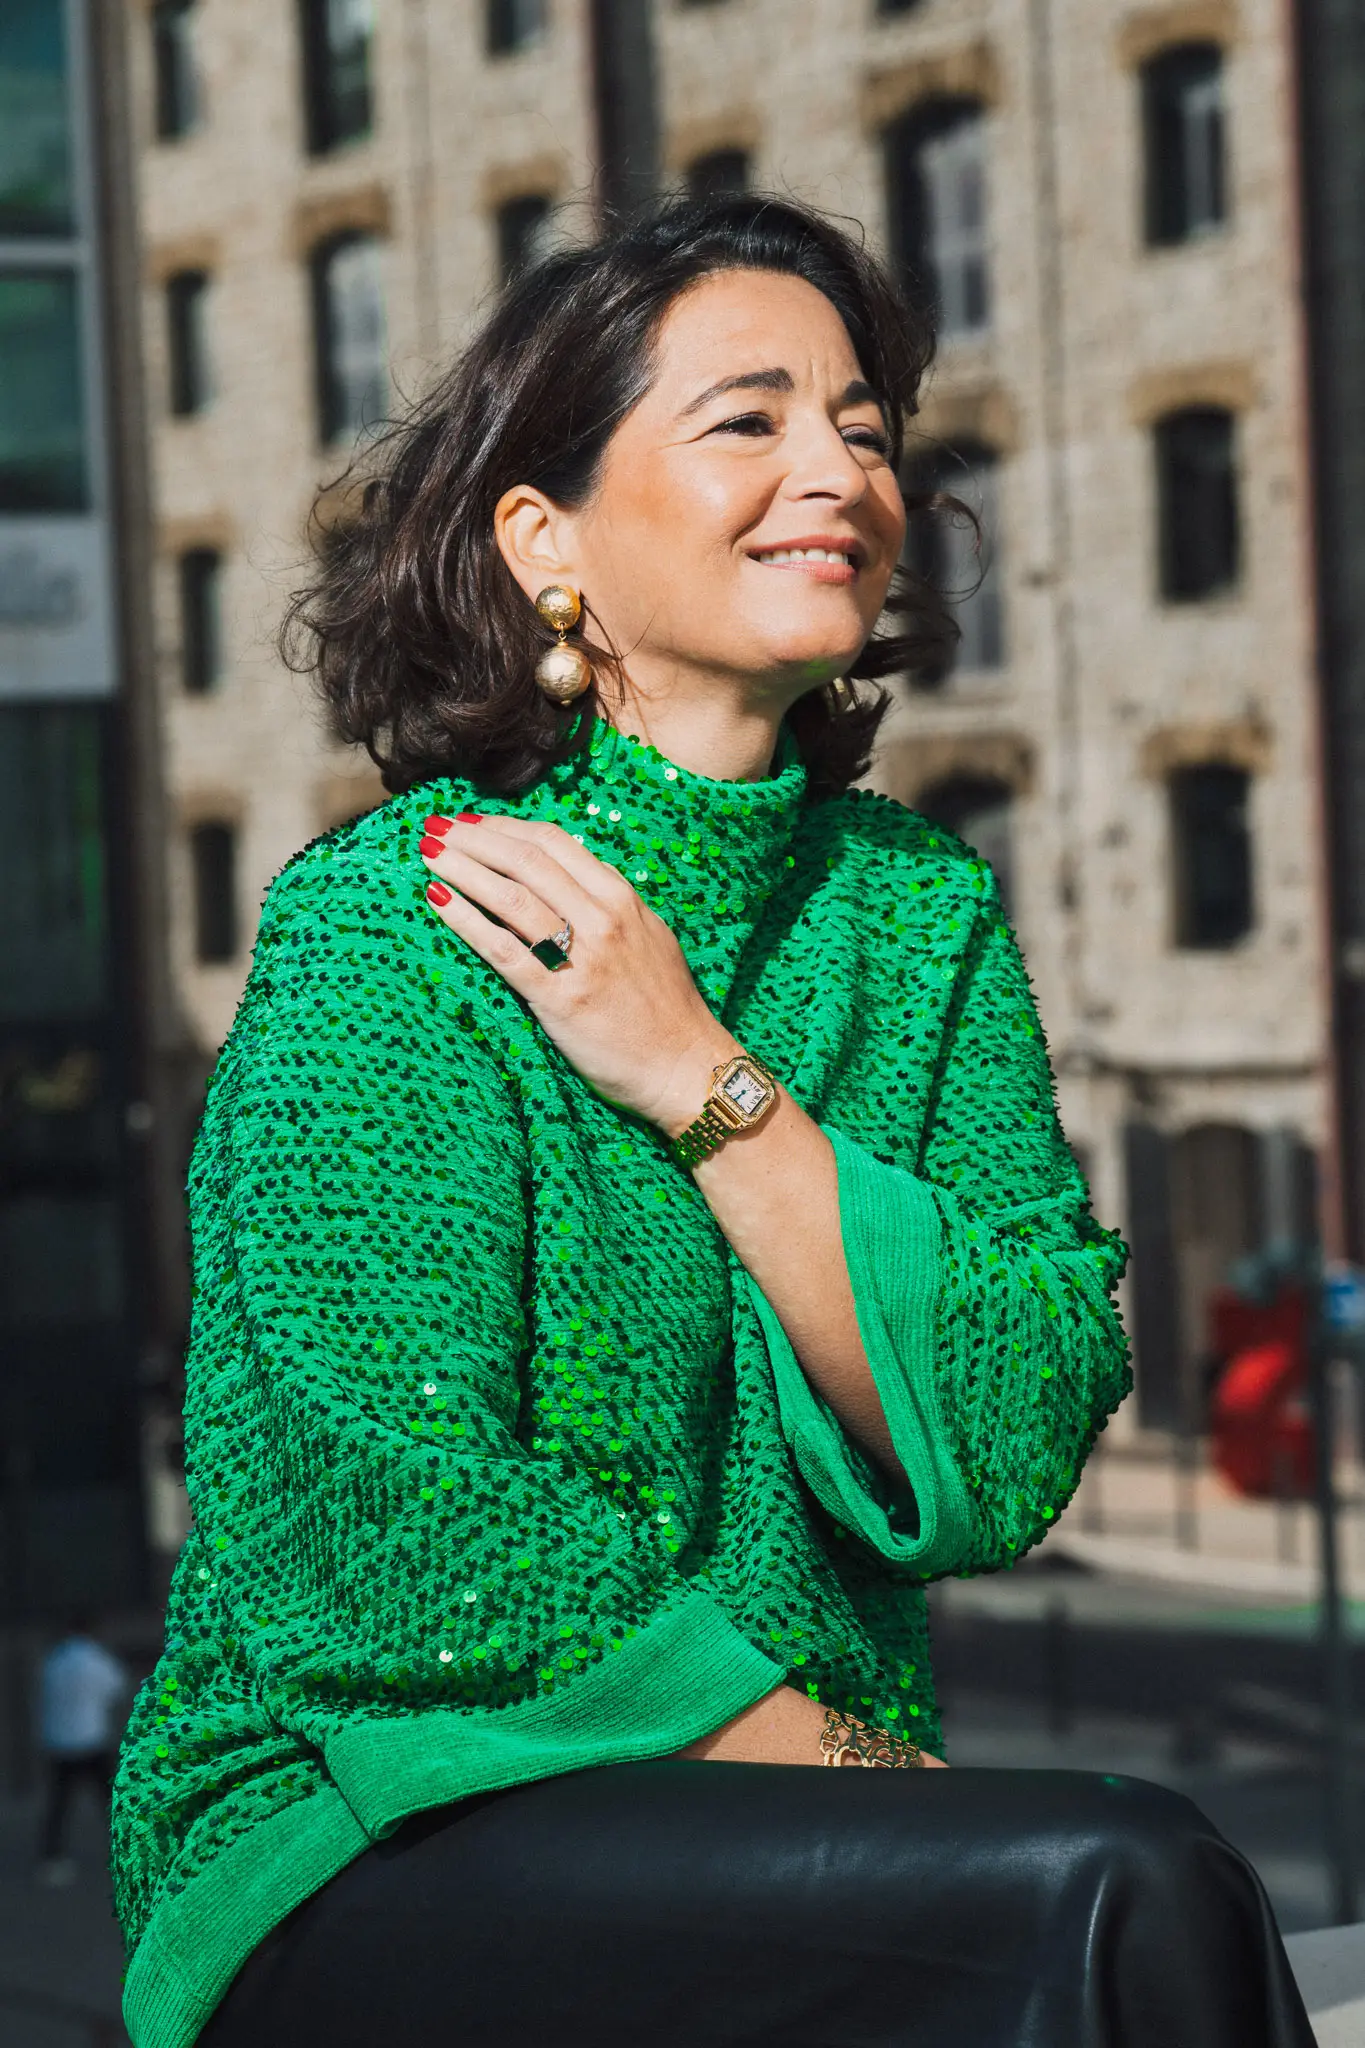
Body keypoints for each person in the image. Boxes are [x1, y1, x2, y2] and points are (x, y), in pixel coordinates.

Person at [110, 194, 1314, 2048]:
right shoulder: (395, 921)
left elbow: (1013, 1432)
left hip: (766, 1827)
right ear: (545, 538)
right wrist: (857, 1769)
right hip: (371, 1816)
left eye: (861, 427)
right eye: (747, 418)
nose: (836, 471)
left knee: (1122, 1895)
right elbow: (393, 1521)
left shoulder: (915, 914)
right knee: (1119, 1883)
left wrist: (700, 1079)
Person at [35, 1606, 127, 1886]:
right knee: (109, 1800)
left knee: (59, 1803)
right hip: (91, 1738)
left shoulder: (54, 1658)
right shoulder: (97, 1658)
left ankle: (52, 1858)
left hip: (60, 1741)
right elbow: (116, 1688)